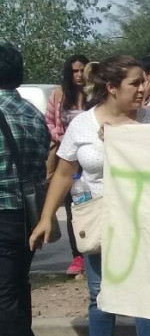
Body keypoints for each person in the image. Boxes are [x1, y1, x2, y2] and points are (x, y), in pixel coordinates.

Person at [28, 55, 150, 336]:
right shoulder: (83, 125)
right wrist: (46, 217)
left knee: (144, 293)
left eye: (144, 82)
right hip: (98, 220)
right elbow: (63, 173)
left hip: (141, 220)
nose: (143, 89)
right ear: (111, 87)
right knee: (99, 295)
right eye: (135, 83)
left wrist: (129, 140)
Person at [0, 43, 52, 336]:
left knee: (5, 290)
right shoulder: (32, 113)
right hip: (26, 214)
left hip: (2, 210)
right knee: (14, 286)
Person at [45, 53, 89, 275]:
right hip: (68, 158)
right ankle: (77, 256)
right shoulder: (59, 95)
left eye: (82, 70)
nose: (79, 75)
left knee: (92, 204)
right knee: (73, 208)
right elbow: (50, 121)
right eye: (75, 70)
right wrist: (62, 138)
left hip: (90, 158)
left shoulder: (96, 94)